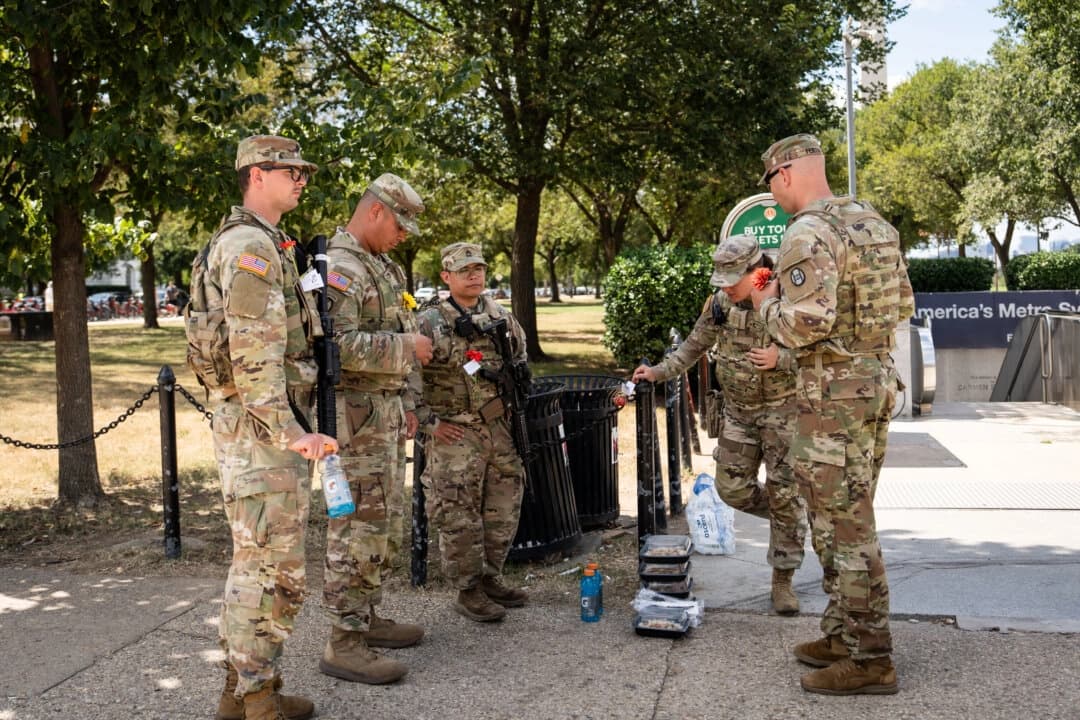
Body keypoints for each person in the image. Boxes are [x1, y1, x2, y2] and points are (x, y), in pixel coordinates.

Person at [750, 133, 914, 696]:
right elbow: (904, 307)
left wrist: (762, 301)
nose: (772, 195)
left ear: (787, 174)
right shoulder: (875, 224)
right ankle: (843, 633)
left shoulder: (807, 232)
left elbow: (803, 324)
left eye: (771, 183)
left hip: (832, 400)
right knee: (843, 516)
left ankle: (871, 659)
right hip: (872, 386)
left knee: (846, 527)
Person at [207, 134, 338, 720]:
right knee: (268, 568)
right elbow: (252, 353)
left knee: (258, 560)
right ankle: (258, 699)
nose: (301, 181)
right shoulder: (249, 248)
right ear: (257, 174)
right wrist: (291, 432)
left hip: (261, 427)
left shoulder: (266, 243)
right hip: (263, 432)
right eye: (292, 171)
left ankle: (241, 695)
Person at [631, 234, 807, 615]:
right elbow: (694, 344)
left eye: (732, 276)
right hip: (739, 414)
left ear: (757, 271)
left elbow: (822, 352)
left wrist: (783, 359)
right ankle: (787, 514)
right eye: (721, 276)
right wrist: (659, 372)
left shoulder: (791, 295)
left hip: (784, 413)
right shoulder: (720, 303)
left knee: (785, 490)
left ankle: (782, 580)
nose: (725, 284)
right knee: (731, 489)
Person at [318, 173, 434, 685]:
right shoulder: (342, 268)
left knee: (381, 525)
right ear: (375, 211)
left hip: (382, 414)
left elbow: (395, 330)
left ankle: (366, 619)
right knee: (356, 526)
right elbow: (335, 347)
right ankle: (343, 642)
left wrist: (408, 399)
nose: (404, 235)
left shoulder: (380, 266)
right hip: (354, 421)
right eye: (400, 224)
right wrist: (408, 351)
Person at [414, 242, 530, 623]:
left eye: (478, 268)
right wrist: (429, 423)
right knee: (458, 511)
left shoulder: (502, 318)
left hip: (498, 427)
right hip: (454, 433)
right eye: (464, 270)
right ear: (446, 277)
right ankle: (467, 589)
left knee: (504, 504)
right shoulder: (429, 321)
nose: (474, 275)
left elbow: (520, 362)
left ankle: (490, 577)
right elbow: (406, 377)